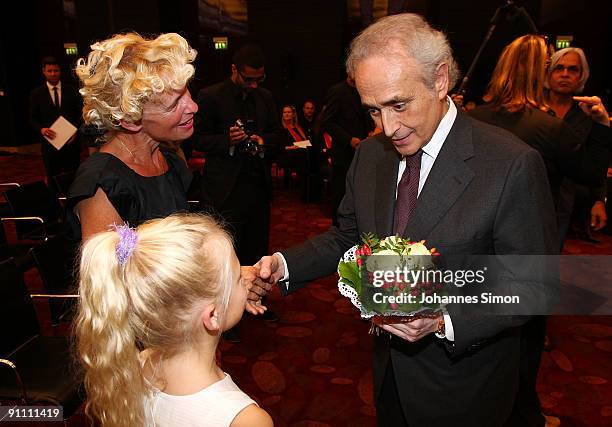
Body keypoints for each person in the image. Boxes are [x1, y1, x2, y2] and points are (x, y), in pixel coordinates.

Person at [252, 13, 558, 427]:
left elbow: (533, 283)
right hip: (389, 376)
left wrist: (443, 319)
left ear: (440, 80)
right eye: (374, 111)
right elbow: (348, 236)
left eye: (399, 105)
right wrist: (282, 265)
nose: (389, 128)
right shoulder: (369, 156)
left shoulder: (510, 164)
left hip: (465, 388)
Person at [469, 35, 610, 427]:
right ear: (539, 73)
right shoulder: (548, 127)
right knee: (526, 337)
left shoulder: (473, 118)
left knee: (480, 329)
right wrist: (602, 127)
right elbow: (591, 172)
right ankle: (523, 416)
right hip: (527, 247)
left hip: (478, 240)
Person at [74, 213, 272, 427]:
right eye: (238, 279)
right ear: (213, 316)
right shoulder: (246, 420)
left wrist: (230, 289)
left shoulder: (139, 364)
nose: (247, 280)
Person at [66, 32, 197, 242]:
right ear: (130, 120)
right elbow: (108, 273)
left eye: (186, 92)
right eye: (174, 104)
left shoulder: (169, 159)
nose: (193, 107)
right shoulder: (102, 186)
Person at [195, 43, 284, 334]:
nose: (254, 84)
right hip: (223, 190)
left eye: (259, 79)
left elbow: (277, 136)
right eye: (248, 79)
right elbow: (196, 140)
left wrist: (261, 141)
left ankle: (256, 300)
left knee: (257, 250)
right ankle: (226, 313)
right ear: (234, 70)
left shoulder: (265, 97)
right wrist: (227, 141)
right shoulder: (210, 97)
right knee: (225, 253)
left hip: (257, 186)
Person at [544, 47, 611, 243]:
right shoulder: (533, 106)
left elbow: (596, 159)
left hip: (564, 201)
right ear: (549, 73)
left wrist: (598, 200)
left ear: (581, 76)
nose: (565, 74)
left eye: (573, 69)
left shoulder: (588, 112)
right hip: (530, 192)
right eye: (559, 68)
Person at [320, 76, 373, 225]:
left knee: (361, 195)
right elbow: (327, 122)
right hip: (343, 154)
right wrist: (349, 139)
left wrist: (371, 131)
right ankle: (339, 230)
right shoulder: (337, 91)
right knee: (341, 195)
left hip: (363, 152)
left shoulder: (364, 89)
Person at [28, 56, 82, 189]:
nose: (53, 73)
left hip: (71, 144)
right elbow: (32, 118)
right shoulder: (36, 93)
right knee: (53, 178)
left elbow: (81, 114)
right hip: (50, 144)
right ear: (44, 71)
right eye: (50, 71)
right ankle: (56, 205)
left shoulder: (71, 90)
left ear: (60, 71)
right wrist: (41, 129)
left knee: (74, 177)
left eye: (56, 70)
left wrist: (75, 130)